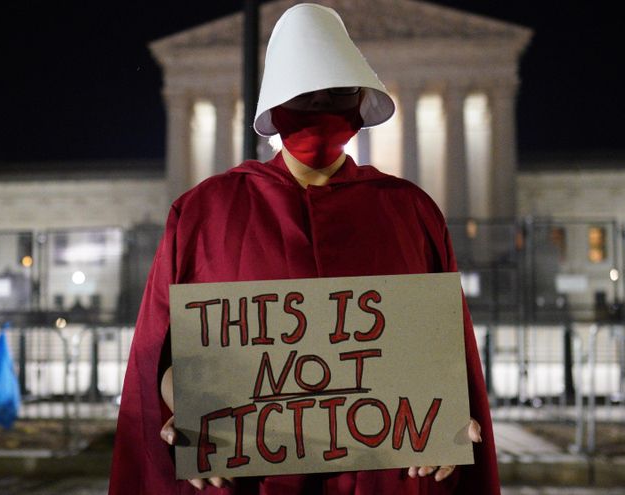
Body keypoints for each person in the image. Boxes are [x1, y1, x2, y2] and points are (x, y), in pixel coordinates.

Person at [109, 4, 500, 494]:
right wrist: (184, 405)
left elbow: (443, 357)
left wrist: (447, 419)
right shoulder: (202, 214)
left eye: (335, 95)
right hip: (256, 476)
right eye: (306, 96)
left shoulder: (411, 212)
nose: (320, 108)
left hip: (383, 475)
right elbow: (159, 356)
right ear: (277, 105)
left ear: (359, 101)